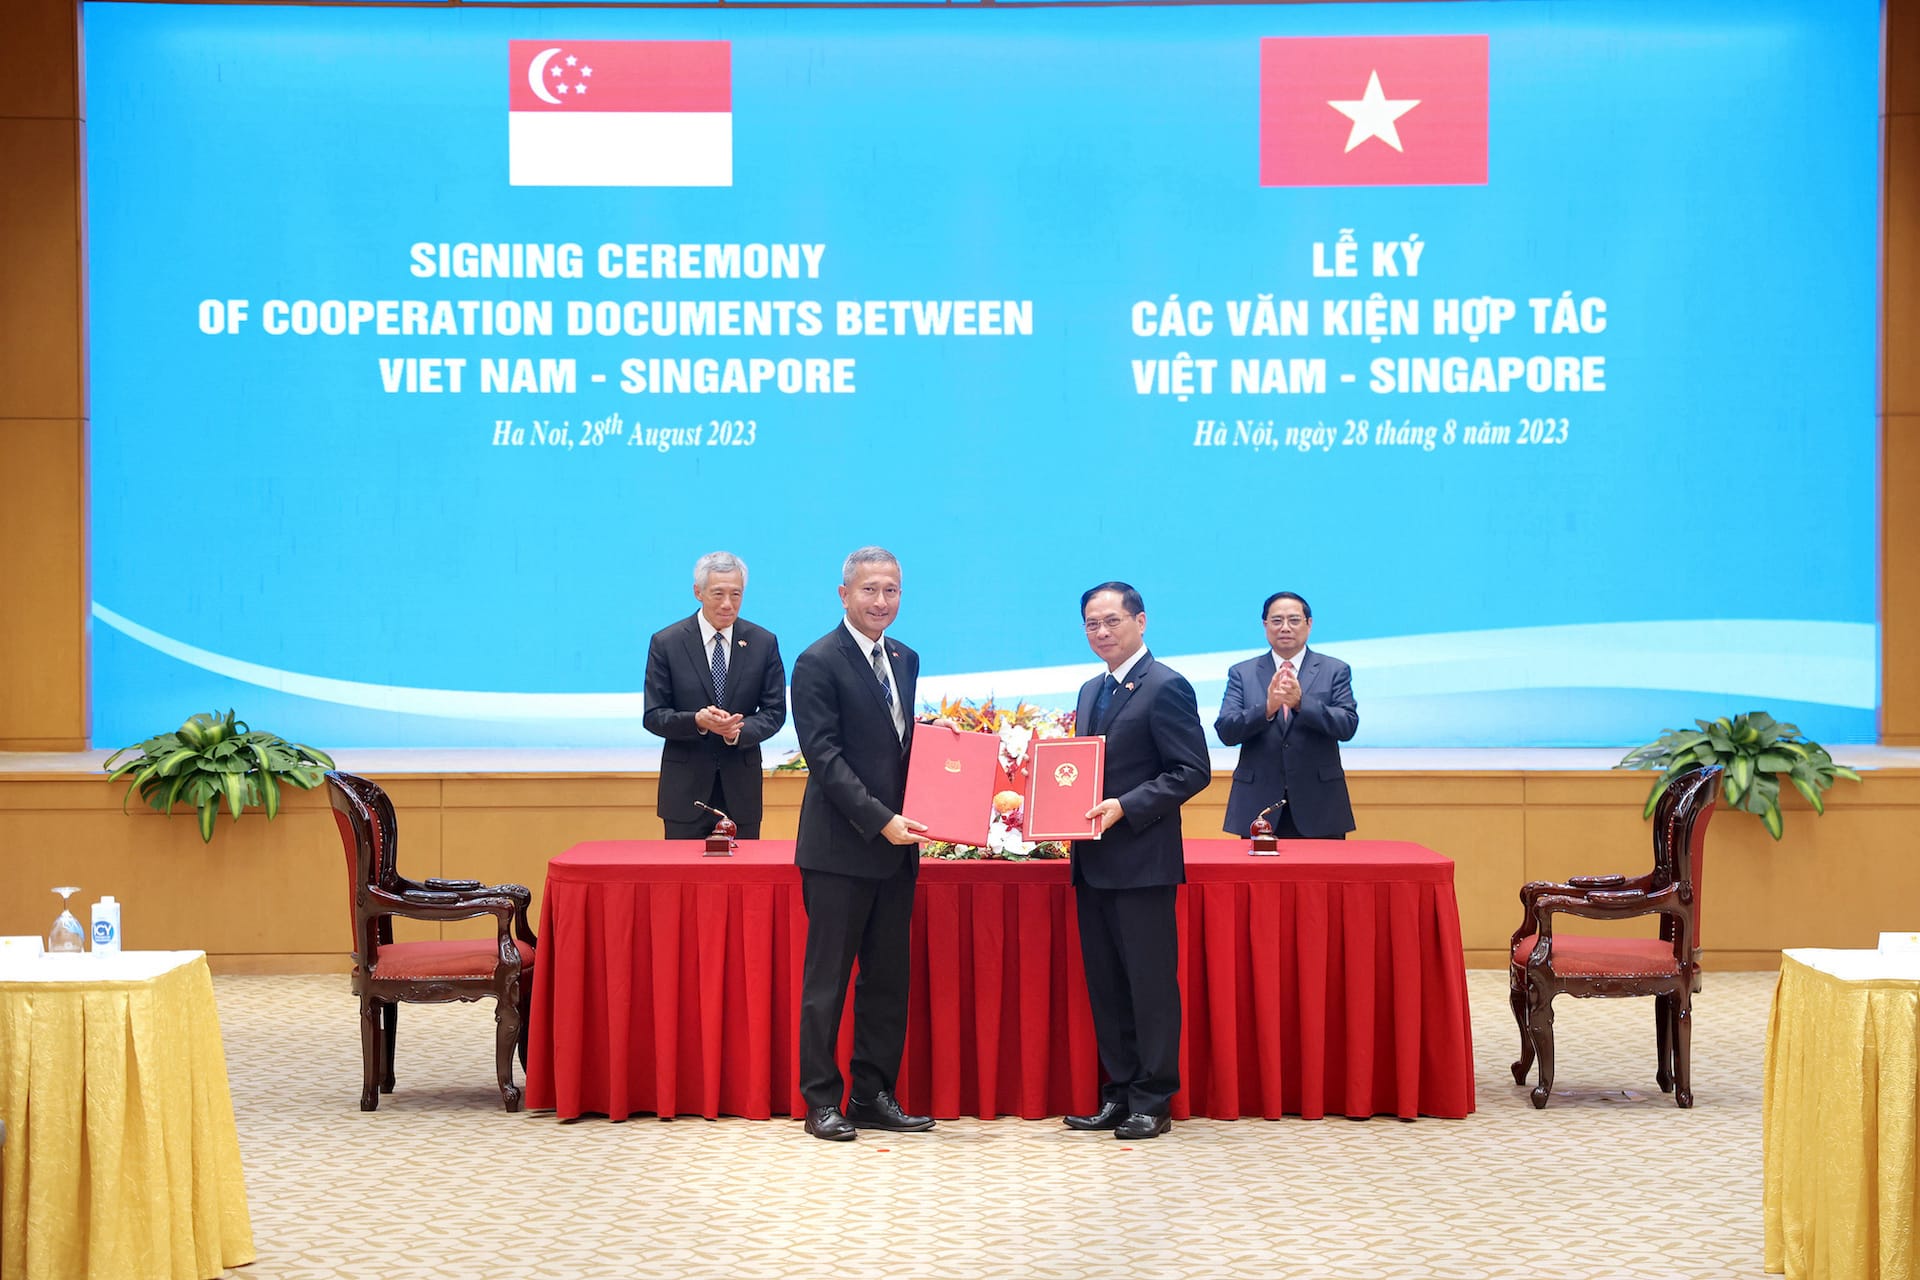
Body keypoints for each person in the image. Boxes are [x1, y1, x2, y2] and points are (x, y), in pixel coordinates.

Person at [789, 547, 933, 1141]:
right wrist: (880, 820)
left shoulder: (905, 657)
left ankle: (873, 1093)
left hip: (896, 849)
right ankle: (821, 1100)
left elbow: (899, 749)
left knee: (886, 979)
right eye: (870, 590)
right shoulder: (817, 661)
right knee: (828, 982)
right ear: (843, 594)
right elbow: (824, 757)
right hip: (840, 848)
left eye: (892, 591)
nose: (881, 601)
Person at [1064, 582, 1211, 1141]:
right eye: (1091, 624)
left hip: (1143, 862)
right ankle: (1118, 1094)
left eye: (1112, 621)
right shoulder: (1088, 689)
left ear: (1140, 621)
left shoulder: (1165, 686)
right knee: (1107, 986)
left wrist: (1126, 806)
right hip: (1093, 863)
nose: (1102, 632)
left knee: (1149, 987)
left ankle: (1153, 1100)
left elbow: (1191, 770)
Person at [642, 552, 788, 840]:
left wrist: (736, 731)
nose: (727, 604)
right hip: (685, 794)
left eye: (736, 594)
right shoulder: (667, 643)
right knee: (684, 882)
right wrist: (697, 721)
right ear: (698, 592)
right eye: (718, 593)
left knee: (741, 883)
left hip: (741, 794)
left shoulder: (763, 642)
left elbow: (775, 712)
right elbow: (654, 715)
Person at [1215, 591, 1358, 840]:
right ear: (1265, 625)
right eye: (1277, 620)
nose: (1285, 628)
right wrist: (1267, 709)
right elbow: (1226, 730)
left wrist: (1302, 704)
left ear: (1309, 624)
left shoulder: (1335, 670)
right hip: (1258, 807)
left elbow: (1347, 726)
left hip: (1320, 804)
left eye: (1294, 620)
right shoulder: (1242, 672)